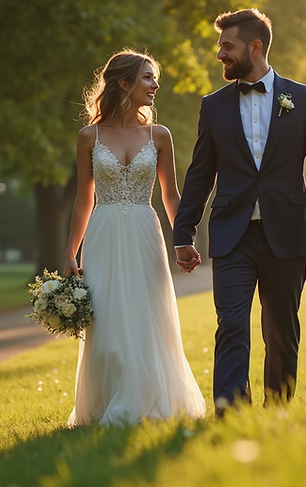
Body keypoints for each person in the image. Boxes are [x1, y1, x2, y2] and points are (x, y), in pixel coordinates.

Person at [173, 9, 306, 414]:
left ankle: (278, 407)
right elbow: (199, 173)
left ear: (255, 47)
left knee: (281, 330)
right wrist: (184, 233)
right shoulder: (212, 106)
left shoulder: (304, 98)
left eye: (226, 46)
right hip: (233, 235)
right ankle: (230, 410)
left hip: (286, 232)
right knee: (231, 325)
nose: (220, 55)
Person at [63, 49, 206, 426]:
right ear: (124, 83)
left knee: (147, 316)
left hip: (145, 230)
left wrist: (185, 238)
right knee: (107, 321)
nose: (155, 85)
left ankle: (149, 400)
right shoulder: (88, 136)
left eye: (154, 78)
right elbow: (83, 198)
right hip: (104, 233)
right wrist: (70, 252)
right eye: (147, 77)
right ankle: (107, 402)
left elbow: (171, 196)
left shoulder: (159, 135)